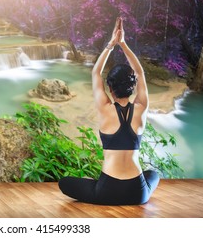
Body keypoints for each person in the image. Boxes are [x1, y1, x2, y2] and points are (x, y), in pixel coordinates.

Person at [58, 17, 160, 205]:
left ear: (110, 89)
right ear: (132, 88)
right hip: (137, 193)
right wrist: (124, 44)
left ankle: (95, 186)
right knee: (153, 174)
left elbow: (96, 72)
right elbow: (140, 73)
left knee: (64, 183)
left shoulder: (105, 109)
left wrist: (111, 44)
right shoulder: (141, 109)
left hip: (106, 191)